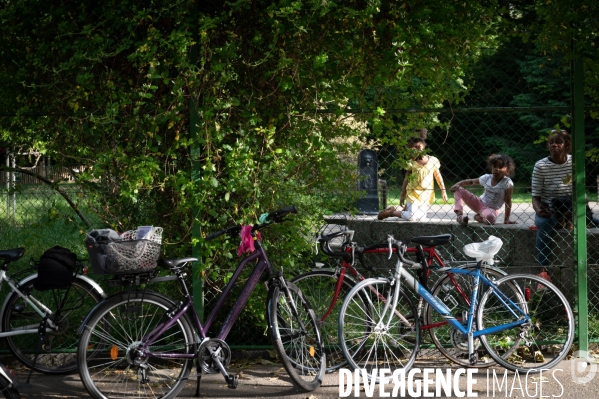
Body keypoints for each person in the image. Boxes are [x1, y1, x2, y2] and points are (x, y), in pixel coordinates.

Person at [378, 136, 448, 221]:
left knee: (421, 219)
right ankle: (392, 213)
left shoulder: (433, 161)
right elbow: (406, 179)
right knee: (412, 217)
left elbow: (438, 176)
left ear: (419, 148)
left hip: (425, 194)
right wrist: (402, 194)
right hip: (412, 193)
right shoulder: (412, 163)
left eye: (410, 151)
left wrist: (443, 190)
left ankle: (404, 211)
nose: (408, 154)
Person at [532, 129, 573, 270]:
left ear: (566, 145)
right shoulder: (541, 166)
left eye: (559, 142)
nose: (554, 145)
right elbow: (535, 198)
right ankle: (544, 270)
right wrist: (539, 210)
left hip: (571, 207)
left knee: (591, 220)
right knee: (544, 224)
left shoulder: (574, 162)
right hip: (550, 209)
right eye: (551, 142)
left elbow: (580, 190)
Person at [450, 154, 517, 225]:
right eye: (494, 166)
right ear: (491, 168)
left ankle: (480, 217)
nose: (496, 169)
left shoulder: (507, 183)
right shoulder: (487, 178)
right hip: (478, 203)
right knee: (458, 189)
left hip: (491, 209)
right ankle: (460, 217)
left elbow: (508, 202)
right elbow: (471, 181)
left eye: (500, 167)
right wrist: (457, 184)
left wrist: (506, 219)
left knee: (490, 218)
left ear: (507, 171)